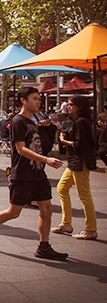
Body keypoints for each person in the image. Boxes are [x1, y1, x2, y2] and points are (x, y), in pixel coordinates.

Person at [0, 86, 68, 260]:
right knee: (14, 212)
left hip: (38, 173)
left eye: (39, 99)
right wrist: (45, 160)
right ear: (23, 100)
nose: (38, 102)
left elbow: (43, 146)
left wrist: (48, 129)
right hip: (23, 174)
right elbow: (21, 149)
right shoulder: (18, 122)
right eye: (35, 99)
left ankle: (44, 246)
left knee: (46, 208)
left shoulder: (33, 122)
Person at [53, 95, 98, 240]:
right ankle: (66, 223)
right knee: (62, 188)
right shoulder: (80, 122)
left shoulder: (81, 122)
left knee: (84, 195)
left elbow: (81, 144)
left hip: (80, 162)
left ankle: (91, 229)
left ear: (79, 106)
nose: (68, 106)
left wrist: (64, 141)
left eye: (71, 104)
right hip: (74, 162)